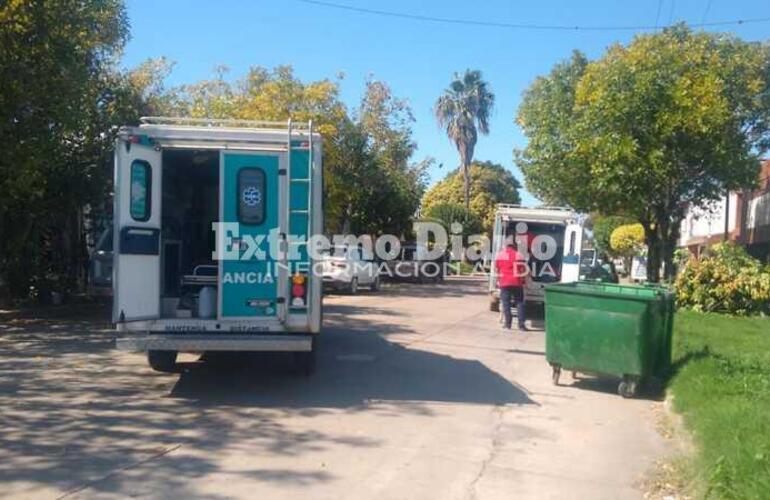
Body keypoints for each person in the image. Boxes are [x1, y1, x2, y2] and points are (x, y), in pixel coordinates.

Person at [495, 239, 527, 331]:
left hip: (504, 282)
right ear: (514, 246)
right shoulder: (519, 255)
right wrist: (523, 281)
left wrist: (498, 280)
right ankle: (521, 326)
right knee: (519, 303)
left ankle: (508, 324)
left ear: (505, 246)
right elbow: (523, 270)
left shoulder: (500, 255)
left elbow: (497, 269)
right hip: (517, 282)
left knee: (506, 303)